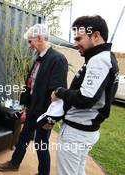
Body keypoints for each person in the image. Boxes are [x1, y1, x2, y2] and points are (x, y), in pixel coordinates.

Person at [0, 24, 68, 175]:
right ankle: (14, 163)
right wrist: (25, 104)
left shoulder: (57, 59)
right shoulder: (39, 59)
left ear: (40, 38)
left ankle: (43, 173)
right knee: (23, 138)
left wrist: (49, 117)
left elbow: (57, 91)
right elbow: (30, 83)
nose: (29, 46)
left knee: (41, 144)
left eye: (30, 41)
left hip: (44, 112)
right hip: (32, 108)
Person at [52, 15, 119, 175]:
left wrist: (60, 92)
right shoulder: (104, 57)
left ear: (95, 36)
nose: (75, 44)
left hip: (77, 132)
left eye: (78, 38)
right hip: (85, 130)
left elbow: (85, 98)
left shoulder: (99, 59)